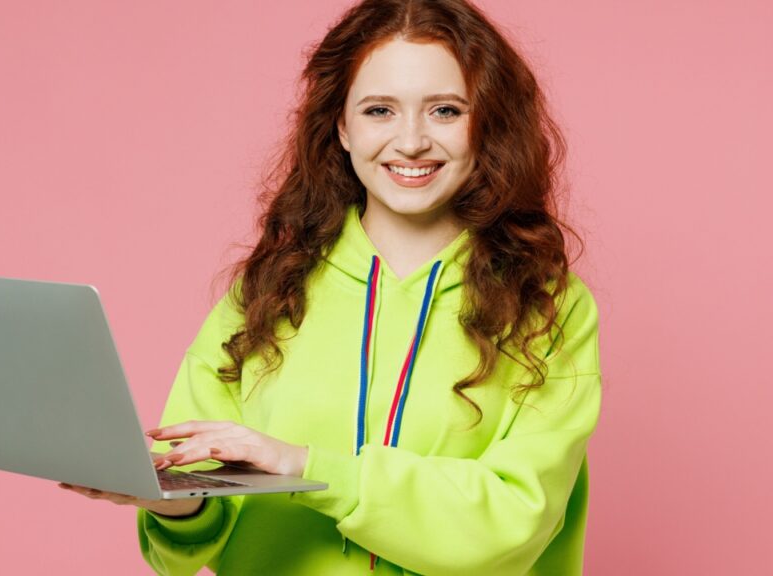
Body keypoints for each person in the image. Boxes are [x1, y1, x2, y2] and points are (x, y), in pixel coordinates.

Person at [58, 0, 602, 574]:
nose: (411, 140)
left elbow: (517, 518)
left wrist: (308, 468)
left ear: (486, 122)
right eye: (379, 110)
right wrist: (174, 505)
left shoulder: (549, 306)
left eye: (445, 110)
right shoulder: (270, 288)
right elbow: (202, 512)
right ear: (341, 126)